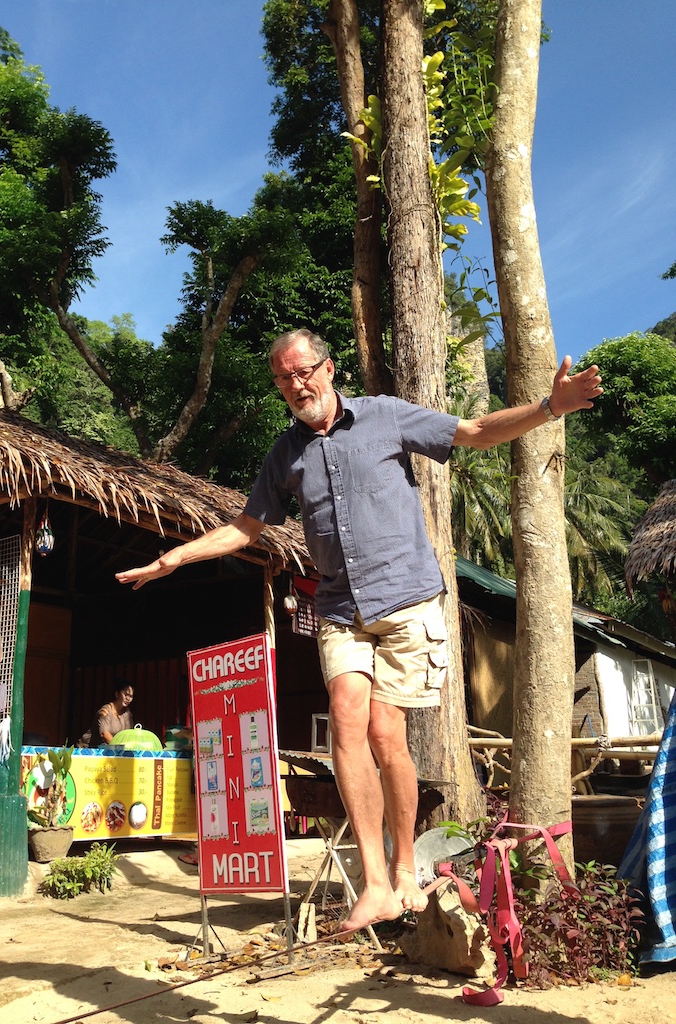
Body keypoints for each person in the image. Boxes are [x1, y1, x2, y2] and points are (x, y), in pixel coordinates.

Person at [116, 328, 602, 933]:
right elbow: (246, 528)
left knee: (385, 732)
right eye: (284, 379)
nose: (297, 386)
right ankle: (374, 881)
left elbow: (475, 433)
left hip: (406, 599)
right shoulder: (284, 455)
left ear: (329, 366)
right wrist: (174, 558)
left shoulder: (386, 417)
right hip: (341, 606)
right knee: (347, 716)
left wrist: (550, 406)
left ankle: (405, 868)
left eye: (304, 372)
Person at [84, 682, 135, 747]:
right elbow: (104, 734)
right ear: (117, 694)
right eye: (125, 694)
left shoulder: (127, 713)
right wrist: (120, 748)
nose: (128, 699)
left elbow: (128, 735)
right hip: (89, 750)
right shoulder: (105, 711)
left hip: (112, 750)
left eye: (131, 696)